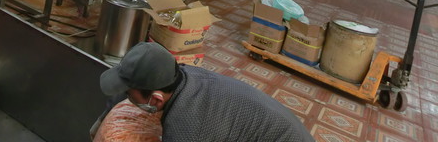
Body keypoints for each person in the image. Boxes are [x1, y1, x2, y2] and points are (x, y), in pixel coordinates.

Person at [98, 42, 314, 142]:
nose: (127, 98)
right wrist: (102, 120)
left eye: (130, 95)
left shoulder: (188, 127)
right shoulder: (184, 75)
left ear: (156, 99)